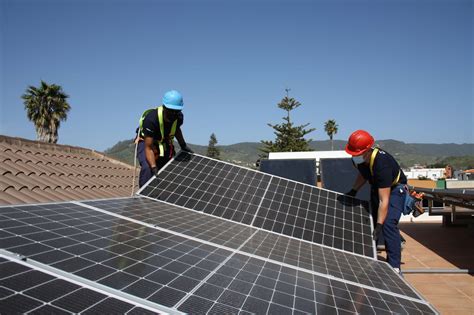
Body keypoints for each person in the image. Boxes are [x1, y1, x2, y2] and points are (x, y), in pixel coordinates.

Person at [344, 130, 407, 274]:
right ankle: (372, 255)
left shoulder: (381, 164)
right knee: (370, 219)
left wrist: (379, 225)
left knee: (387, 223)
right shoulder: (357, 159)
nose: (354, 156)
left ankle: (394, 267)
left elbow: (384, 200)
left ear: (368, 150)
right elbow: (364, 174)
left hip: (395, 190)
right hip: (377, 187)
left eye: (357, 153)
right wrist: (354, 190)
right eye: (353, 153)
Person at [135, 90, 193, 187]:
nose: (173, 114)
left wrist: (183, 145)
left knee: (168, 167)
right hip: (148, 143)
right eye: (171, 110)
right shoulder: (151, 119)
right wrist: (153, 167)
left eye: (177, 111)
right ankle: (144, 197)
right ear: (164, 107)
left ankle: (163, 195)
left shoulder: (178, 117)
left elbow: (176, 129)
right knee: (147, 168)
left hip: (164, 142)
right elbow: (148, 147)